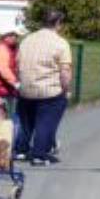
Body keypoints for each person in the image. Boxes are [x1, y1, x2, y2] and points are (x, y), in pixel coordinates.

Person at [16, 11, 73, 167]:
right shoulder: (61, 43)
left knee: (26, 121)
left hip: (26, 89)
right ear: (58, 23)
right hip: (49, 90)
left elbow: (18, 62)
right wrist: (66, 90)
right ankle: (39, 155)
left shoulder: (27, 40)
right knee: (46, 122)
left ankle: (21, 150)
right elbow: (65, 71)